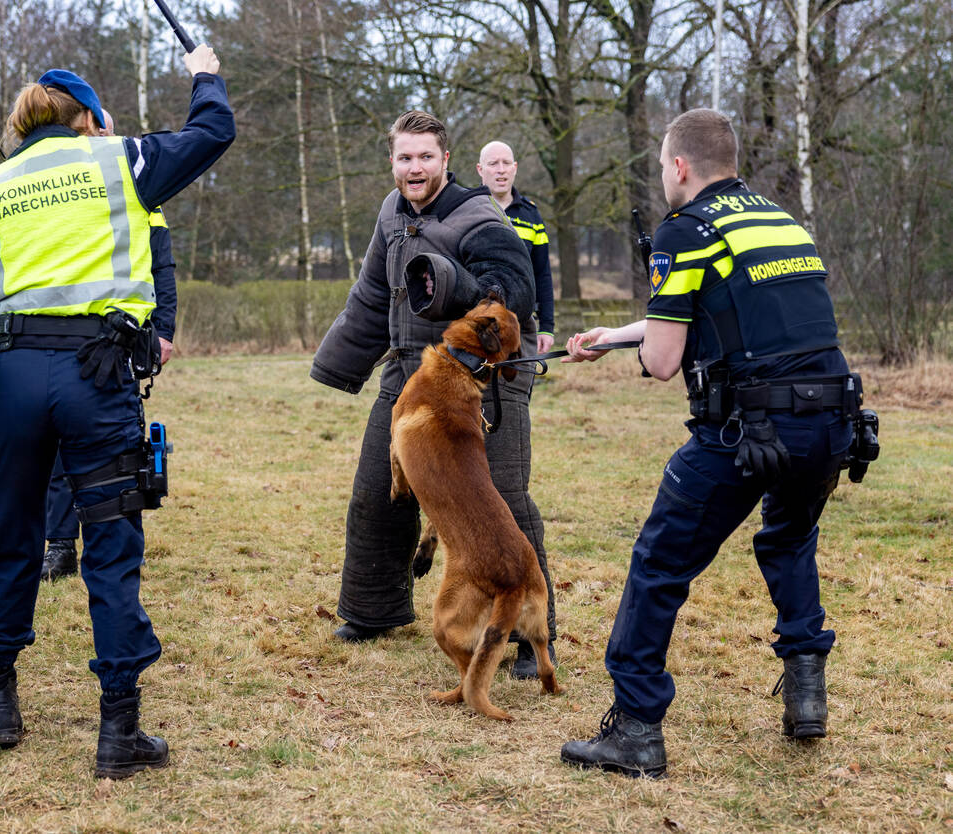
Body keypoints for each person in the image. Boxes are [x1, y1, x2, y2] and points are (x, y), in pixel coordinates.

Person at [0, 50, 234, 779]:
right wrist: (205, 74)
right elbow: (213, 132)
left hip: (13, 380)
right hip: (97, 375)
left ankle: (0, 699)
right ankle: (119, 732)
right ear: (87, 118)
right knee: (112, 549)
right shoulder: (118, 161)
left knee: (13, 539)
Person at [559, 109, 862, 778]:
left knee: (659, 563)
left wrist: (643, 349)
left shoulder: (685, 229)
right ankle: (806, 697)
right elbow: (720, 312)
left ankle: (636, 731)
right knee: (788, 538)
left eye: (661, 167)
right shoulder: (776, 221)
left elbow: (665, 359)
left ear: (679, 166)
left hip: (746, 431)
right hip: (832, 421)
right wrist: (611, 338)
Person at [310, 110, 558, 679]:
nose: (414, 167)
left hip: (484, 381)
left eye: (426, 156)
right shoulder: (391, 211)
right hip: (411, 374)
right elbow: (372, 296)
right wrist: (338, 364)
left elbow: (511, 288)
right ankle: (372, 611)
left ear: (446, 160)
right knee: (377, 491)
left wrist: (463, 287)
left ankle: (530, 639)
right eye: (405, 157)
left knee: (504, 501)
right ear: (392, 161)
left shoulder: (479, 215)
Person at [41, 109, 181, 582]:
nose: (96, 135)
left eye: (102, 129)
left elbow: (162, 267)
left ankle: (111, 540)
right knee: (58, 447)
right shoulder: (56, 187)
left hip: (120, 339)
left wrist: (164, 331)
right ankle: (60, 544)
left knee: (114, 447)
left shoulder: (141, 192)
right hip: (63, 335)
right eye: (90, 128)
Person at [476, 141, 555, 354]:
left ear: (515, 168)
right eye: (493, 163)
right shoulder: (466, 209)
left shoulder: (531, 215)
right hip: (475, 323)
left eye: (506, 163)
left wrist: (546, 327)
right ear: (480, 169)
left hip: (521, 325)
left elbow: (542, 274)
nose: (501, 170)